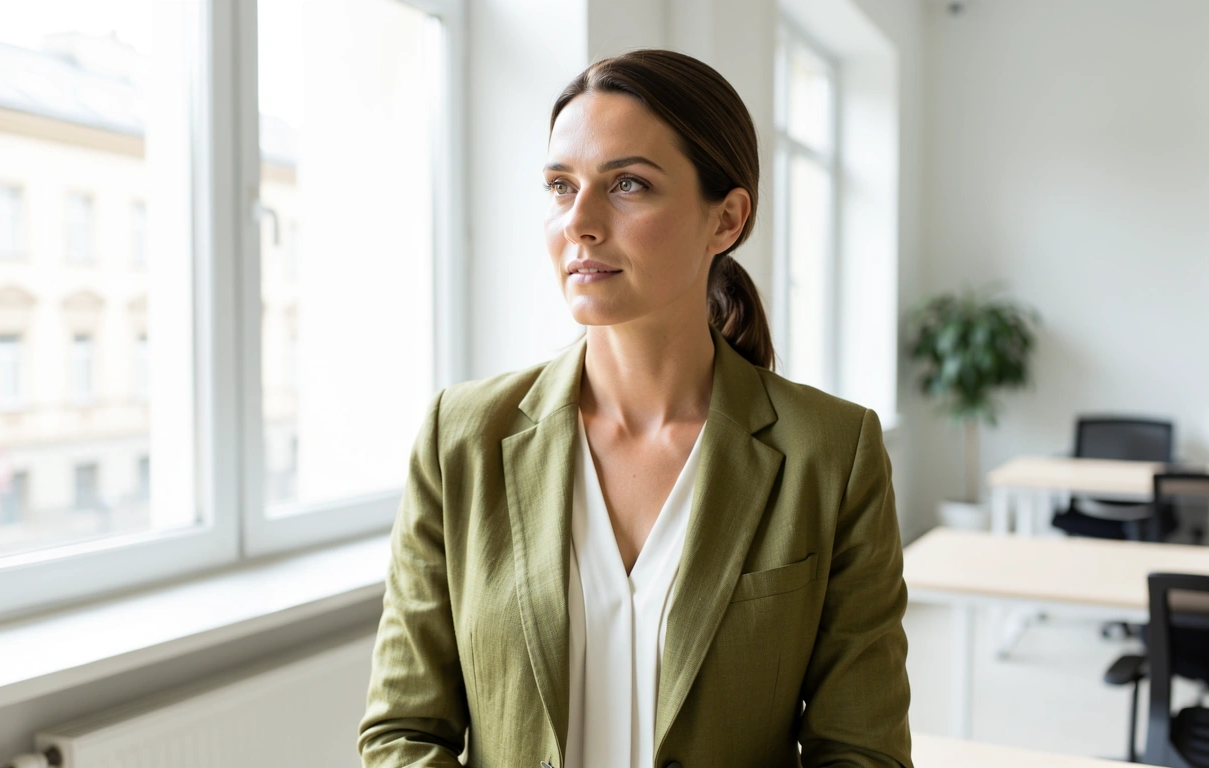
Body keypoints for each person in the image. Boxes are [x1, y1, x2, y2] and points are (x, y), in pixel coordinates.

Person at [359, 49, 912, 768]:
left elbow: (860, 750)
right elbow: (404, 733)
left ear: (727, 219)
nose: (580, 223)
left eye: (627, 184)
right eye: (561, 186)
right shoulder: (459, 439)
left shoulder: (831, 453)